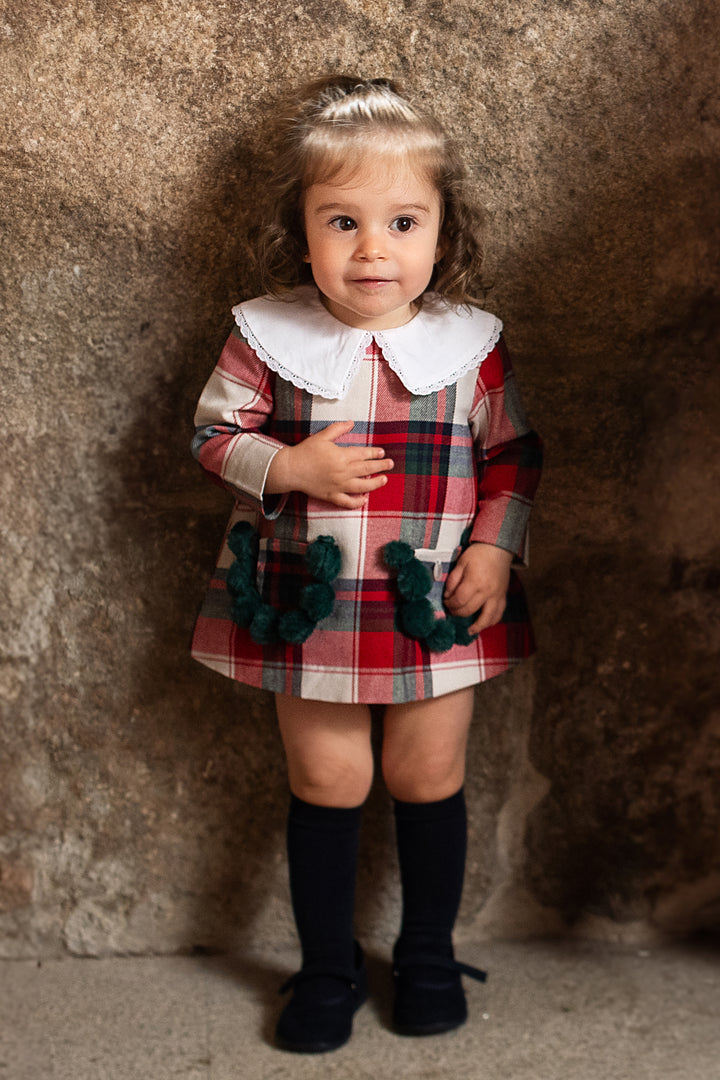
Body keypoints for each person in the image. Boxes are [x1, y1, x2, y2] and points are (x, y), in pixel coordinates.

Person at [191, 75, 542, 1053]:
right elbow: (214, 436)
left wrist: (492, 548)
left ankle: (426, 954)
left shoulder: (469, 349)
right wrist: (288, 464)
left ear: (443, 235)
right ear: (302, 231)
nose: (373, 249)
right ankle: (327, 971)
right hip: (312, 602)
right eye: (342, 220)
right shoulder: (270, 337)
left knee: (428, 772)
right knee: (329, 777)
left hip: (435, 596)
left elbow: (514, 456)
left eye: (401, 221)